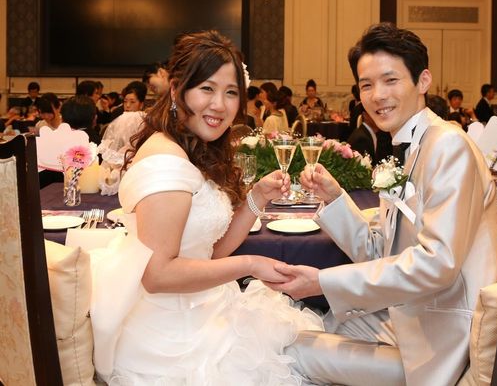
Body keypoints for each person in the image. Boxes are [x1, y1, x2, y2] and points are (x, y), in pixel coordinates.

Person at [266, 22, 497, 386]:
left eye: (390, 80)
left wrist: (322, 282)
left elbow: (437, 264)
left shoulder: (448, 145)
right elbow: (381, 253)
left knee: (288, 352)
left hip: (449, 339)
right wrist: (335, 198)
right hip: (409, 317)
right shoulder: (410, 147)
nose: (378, 95)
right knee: (296, 323)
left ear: (423, 81)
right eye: (366, 85)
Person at [90, 30, 323, 384]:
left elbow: (208, 253)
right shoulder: (166, 161)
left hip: (205, 310)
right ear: (176, 90)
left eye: (231, 92)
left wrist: (256, 198)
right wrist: (250, 264)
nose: (220, 105)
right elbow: (157, 275)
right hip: (174, 338)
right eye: (207, 89)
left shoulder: (189, 147)